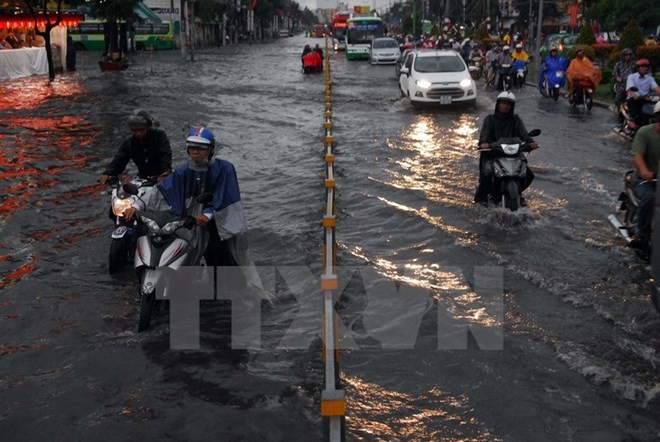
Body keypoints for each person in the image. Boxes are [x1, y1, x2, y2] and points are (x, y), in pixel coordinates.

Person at [124, 127, 262, 290]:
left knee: (217, 252)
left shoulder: (224, 169)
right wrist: (135, 205)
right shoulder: (183, 172)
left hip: (218, 222)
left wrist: (208, 214)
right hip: (190, 219)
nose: (195, 152)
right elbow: (159, 191)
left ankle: (221, 289)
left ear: (210, 150)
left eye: (201, 148)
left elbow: (224, 197)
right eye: (192, 148)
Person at [474, 91, 539, 205]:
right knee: (486, 176)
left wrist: (531, 143)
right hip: (494, 153)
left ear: (512, 107)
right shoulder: (489, 119)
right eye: (503, 103)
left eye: (508, 104)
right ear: (498, 104)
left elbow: (524, 134)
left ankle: (519, 192)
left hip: (513, 154)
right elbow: (484, 136)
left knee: (529, 174)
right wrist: (485, 143)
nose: (505, 106)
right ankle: (482, 199)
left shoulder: (516, 119)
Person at [98, 109, 172, 184]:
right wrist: (108, 173)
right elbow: (119, 161)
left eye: (141, 130)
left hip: (162, 177)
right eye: (134, 130)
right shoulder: (128, 144)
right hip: (143, 179)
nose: (138, 133)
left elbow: (165, 155)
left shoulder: (159, 136)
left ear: (148, 127)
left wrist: (164, 174)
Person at [629, 102, 660, 250]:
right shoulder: (645, 133)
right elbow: (637, 155)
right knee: (649, 198)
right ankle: (642, 234)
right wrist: (644, 171)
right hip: (645, 180)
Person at [625, 59, 660, 128]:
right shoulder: (632, 77)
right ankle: (633, 123)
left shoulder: (649, 78)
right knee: (636, 114)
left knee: (655, 110)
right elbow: (630, 89)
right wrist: (635, 95)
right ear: (638, 68)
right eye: (642, 67)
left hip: (645, 99)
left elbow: (656, 88)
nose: (644, 68)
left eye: (646, 67)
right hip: (634, 99)